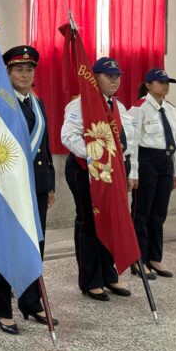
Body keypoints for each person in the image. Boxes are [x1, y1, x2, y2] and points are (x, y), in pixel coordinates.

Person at [0, 45, 57, 334]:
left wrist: (49, 183)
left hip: (37, 186)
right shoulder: (1, 104)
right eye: (18, 69)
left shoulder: (37, 103)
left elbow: (46, 146)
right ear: (7, 72)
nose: (25, 74)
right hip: (10, 187)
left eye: (29, 69)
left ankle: (31, 302)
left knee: (33, 244)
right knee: (5, 245)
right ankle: (2, 309)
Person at [61, 57, 135, 299]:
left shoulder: (119, 106)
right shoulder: (80, 105)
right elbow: (68, 136)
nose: (114, 80)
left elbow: (127, 141)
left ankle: (108, 276)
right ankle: (90, 280)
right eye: (108, 75)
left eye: (117, 76)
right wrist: (97, 156)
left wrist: (128, 168)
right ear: (94, 77)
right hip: (85, 170)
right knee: (90, 223)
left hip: (112, 173)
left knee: (110, 222)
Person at [129, 68, 176, 278]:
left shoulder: (170, 109)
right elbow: (132, 143)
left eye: (167, 82)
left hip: (165, 162)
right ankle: (138, 259)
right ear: (149, 85)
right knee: (142, 213)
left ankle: (154, 257)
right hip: (146, 161)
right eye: (160, 82)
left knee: (159, 214)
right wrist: (133, 173)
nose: (165, 86)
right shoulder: (139, 108)